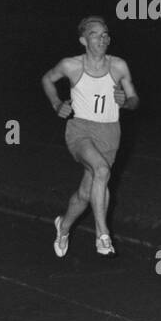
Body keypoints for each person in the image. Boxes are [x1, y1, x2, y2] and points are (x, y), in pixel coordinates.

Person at [41, 16, 139, 257]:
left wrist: (125, 102)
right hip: (80, 130)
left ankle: (63, 226)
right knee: (102, 171)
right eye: (96, 34)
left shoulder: (119, 66)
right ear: (83, 40)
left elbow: (134, 100)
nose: (103, 37)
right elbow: (47, 79)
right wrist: (56, 104)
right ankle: (102, 235)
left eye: (105, 33)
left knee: (86, 194)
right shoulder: (71, 65)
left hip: (110, 132)